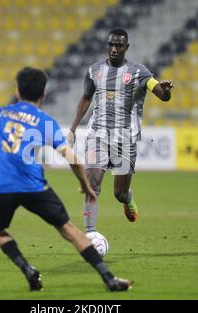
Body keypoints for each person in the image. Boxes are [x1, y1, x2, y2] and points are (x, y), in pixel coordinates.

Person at [0, 67, 132, 292]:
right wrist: (85, 186)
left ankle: (27, 268)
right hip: (34, 185)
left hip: (0, 187)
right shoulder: (45, 121)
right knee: (69, 229)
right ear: (43, 94)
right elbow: (73, 160)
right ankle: (109, 278)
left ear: (16, 91)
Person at [67, 28, 174, 233]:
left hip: (125, 138)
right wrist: (72, 129)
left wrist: (166, 90)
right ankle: (91, 235)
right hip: (97, 135)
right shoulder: (94, 71)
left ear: (127, 47)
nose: (114, 49)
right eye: (111, 44)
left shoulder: (139, 72)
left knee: (119, 193)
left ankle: (128, 197)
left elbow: (161, 94)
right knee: (93, 183)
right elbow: (86, 98)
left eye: (119, 45)